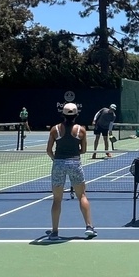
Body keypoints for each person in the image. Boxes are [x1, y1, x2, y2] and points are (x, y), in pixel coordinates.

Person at [44, 102, 96, 240]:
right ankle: (89, 227)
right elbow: (84, 150)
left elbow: (49, 150)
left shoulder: (55, 130)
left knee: (57, 199)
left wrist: (57, 159)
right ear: (76, 115)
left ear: (63, 114)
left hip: (59, 164)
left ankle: (54, 232)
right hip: (75, 163)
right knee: (82, 196)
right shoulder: (81, 130)